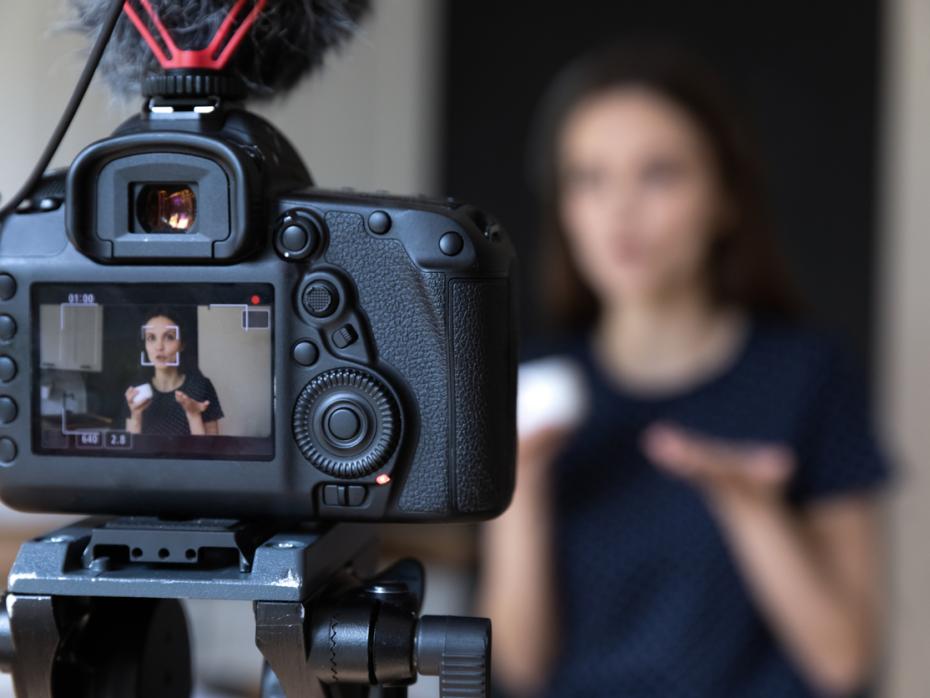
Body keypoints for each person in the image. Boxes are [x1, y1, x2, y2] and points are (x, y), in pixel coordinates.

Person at [478, 43, 892, 698]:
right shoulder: (530, 388)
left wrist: (750, 509)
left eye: (659, 174)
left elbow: (844, 661)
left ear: (725, 198)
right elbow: (519, 669)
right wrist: (521, 486)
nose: (620, 209)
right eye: (588, 178)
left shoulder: (810, 375)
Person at [123, 307, 223, 436]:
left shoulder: (201, 386)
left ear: (181, 345)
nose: (159, 347)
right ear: (145, 345)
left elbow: (212, 449)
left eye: (169, 337)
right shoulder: (135, 391)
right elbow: (129, 451)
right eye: (151, 338)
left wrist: (194, 415)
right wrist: (136, 416)